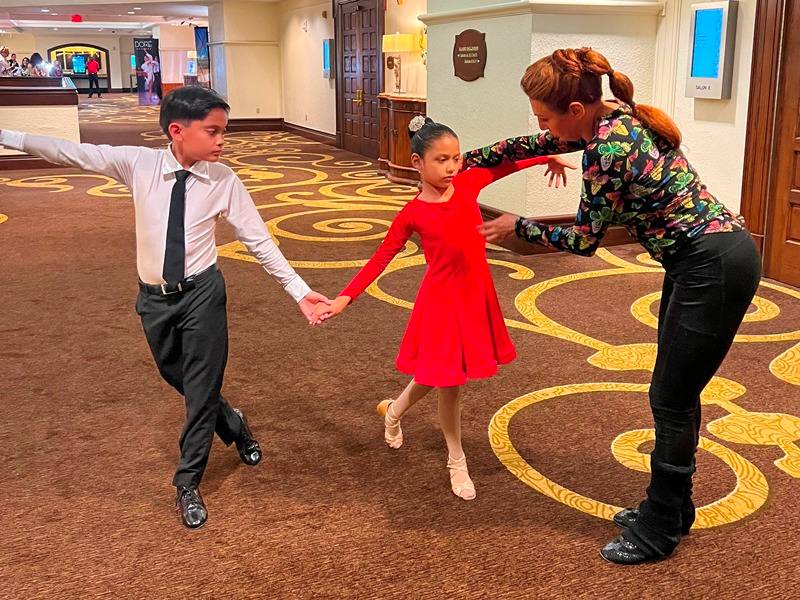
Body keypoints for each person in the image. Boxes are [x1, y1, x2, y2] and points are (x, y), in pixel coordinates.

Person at [470, 48, 761, 564]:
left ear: (575, 109)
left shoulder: (610, 149)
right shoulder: (610, 118)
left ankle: (660, 526)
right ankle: (675, 506)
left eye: (545, 114)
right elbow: (537, 142)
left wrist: (518, 226)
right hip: (703, 260)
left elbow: (585, 241)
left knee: (670, 398)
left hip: (711, 267)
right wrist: (471, 160)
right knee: (678, 390)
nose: (541, 126)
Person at [0, 86, 332, 529]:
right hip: (154, 300)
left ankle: (187, 481)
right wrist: (5, 134)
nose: (221, 141)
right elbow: (70, 152)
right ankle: (233, 422)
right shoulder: (138, 164)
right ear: (177, 131)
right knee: (174, 374)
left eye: (223, 132)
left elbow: (259, 241)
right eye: (212, 132)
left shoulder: (224, 180)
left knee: (199, 387)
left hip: (203, 295)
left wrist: (298, 290)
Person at [315, 116, 572, 500]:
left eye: (455, 158)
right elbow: (381, 257)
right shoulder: (412, 213)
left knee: (438, 373)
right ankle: (457, 460)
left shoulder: (468, 182)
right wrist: (345, 297)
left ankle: (395, 411)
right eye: (441, 160)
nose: (452, 167)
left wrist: (544, 158)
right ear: (417, 163)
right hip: (442, 300)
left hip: (476, 295)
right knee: (449, 382)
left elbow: (504, 165)